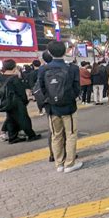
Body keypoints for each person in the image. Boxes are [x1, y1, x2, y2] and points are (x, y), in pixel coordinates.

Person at [38, 41, 82, 173]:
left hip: (52, 109)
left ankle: (59, 164)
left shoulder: (43, 69)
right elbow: (77, 88)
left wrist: (51, 99)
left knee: (56, 135)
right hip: (69, 107)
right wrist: (70, 97)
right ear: (65, 52)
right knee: (71, 134)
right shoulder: (72, 68)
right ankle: (70, 163)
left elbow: (42, 88)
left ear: (50, 53)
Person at [0, 60, 41, 144]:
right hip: (16, 101)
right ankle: (31, 135)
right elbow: (21, 92)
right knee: (24, 118)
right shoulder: (14, 78)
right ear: (14, 67)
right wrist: (25, 101)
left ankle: (12, 137)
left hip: (6, 102)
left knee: (10, 119)